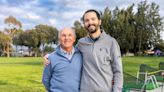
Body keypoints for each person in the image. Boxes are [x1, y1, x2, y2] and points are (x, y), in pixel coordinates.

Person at [44, 9, 123, 92]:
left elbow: (118, 72)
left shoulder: (111, 42)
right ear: (84, 24)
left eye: (93, 19)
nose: (90, 22)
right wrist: (51, 55)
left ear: (99, 21)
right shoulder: (81, 43)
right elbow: (67, 47)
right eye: (87, 20)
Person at [42, 27, 83, 92]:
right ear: (59, 39)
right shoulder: (51, 58)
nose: (66, 38)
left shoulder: (81, 55)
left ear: (74, 39)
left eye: (70, 35)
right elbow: (45, 79)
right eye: (63, 35)